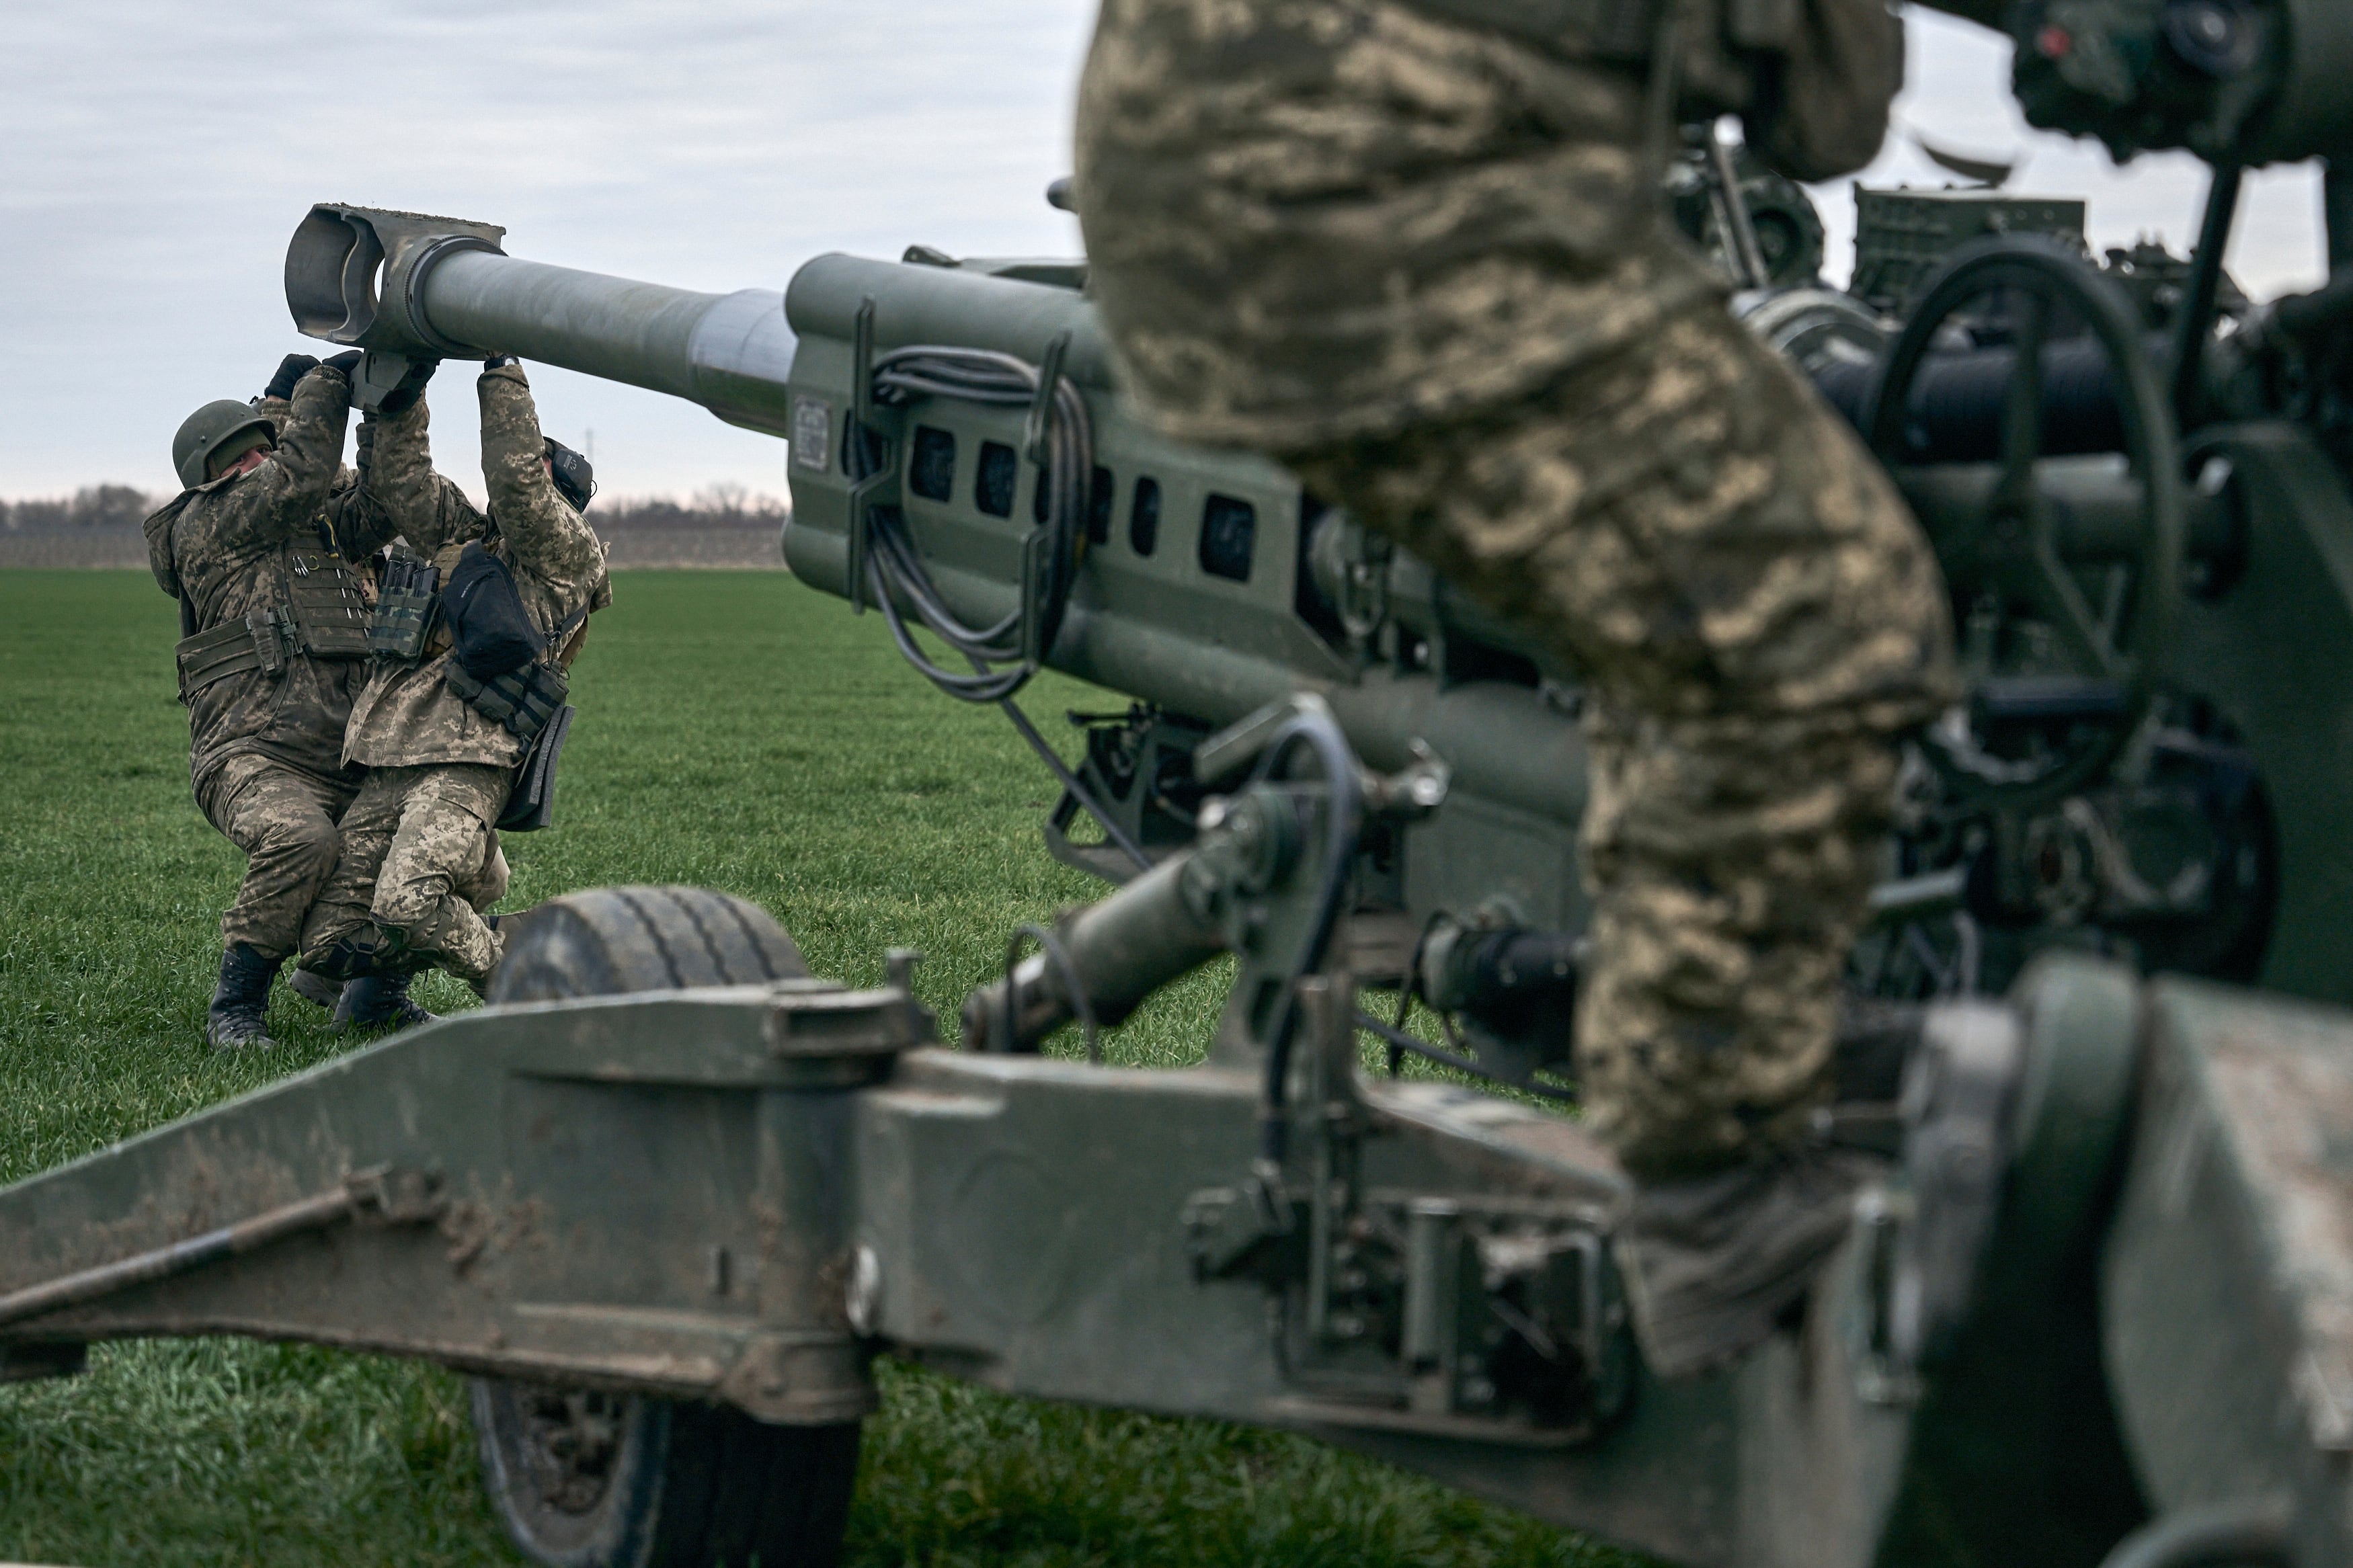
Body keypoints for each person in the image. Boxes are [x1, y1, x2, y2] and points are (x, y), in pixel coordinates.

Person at [1072, 0, 2008, 1375]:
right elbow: (1828, 118)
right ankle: (1712, 1187)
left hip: (1269, 158)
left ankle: (1739, 1057)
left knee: (1686, 611)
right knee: (1803, 612)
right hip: (1366, 183)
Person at [296, 356, 608, 995]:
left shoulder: (566, 555)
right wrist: (402, 384)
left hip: (465, 760)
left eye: (540, 471)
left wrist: (501, 366)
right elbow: (398, 478)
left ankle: (508, 971)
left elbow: (519, 485)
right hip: (389, 755)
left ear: (565, 502)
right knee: (325, 941)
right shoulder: (469, 539)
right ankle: (452, 940)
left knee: (405, 905)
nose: (521, 477)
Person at [143, 351, 415, 1049]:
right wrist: (320, 389)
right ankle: (236, 1006)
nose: (253, 467)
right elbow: (294, 479)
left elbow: (385, 500)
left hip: (349, 752)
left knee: (444, 837)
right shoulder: (206, 528)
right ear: (210, 480)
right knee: (301, 839)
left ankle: (372, 995)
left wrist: (393, 405)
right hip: (251, 757)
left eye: (260, 452)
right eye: (237, 462)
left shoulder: (317, 529)